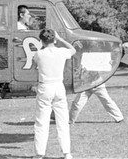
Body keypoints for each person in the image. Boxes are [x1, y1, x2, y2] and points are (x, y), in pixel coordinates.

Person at [32, 29, 76, 159]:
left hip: (45, 87)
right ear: (54, 39)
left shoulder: (39, 54)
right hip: (58, 86)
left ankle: (39, 154)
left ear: (42, 40)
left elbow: (37, 59)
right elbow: (73, 49)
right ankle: (67, 153)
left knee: (41, 122)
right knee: (63, 122)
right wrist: (60, 39)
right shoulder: (61, 52)